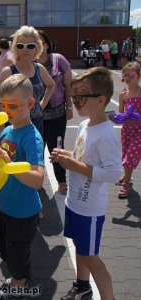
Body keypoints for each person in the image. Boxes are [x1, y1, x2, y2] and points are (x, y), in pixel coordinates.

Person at [51, 67, 122, 300]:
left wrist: (74, 166)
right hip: (75, 202)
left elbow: (113, 173)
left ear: (101, 100)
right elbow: (84, 158)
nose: (76, 101)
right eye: (74, 96)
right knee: (81, 247)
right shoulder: (85, 125)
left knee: (91, 256)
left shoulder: (106, 134)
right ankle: (83, 286)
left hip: (90, 208)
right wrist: (68, 155)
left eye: (81, 96)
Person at [0, 74, 44, 300]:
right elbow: (0, 164)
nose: (6, 111)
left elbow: (37, 180)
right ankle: (18, 278)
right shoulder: (7, 130)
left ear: (30, 104)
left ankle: (19, 288)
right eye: (3, 106)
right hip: (6, 206)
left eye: (12, 106)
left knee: (17, 254)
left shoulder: (32, 138)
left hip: (24, 212)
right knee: (5, 250)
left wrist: (10, 162)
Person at [0, 25, 55, 138]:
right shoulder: (8, 72)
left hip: (37, 124)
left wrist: (43, 103)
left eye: (30, 46)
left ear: (37, 48)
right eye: (20, 46)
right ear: (15, 48)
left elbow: (51, 85)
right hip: (15, 128)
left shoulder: (39, 69)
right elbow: (0, 107)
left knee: (36, 155)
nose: (25, 49)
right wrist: (3, 135)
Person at [37, 30, 73, 195]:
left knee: (57, 148)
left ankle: (62, 180)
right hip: (36, 116)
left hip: (58, 113)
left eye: (42, 43)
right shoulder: (30, 62)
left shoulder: (58, 60)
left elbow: (68, 86)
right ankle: (37, 181)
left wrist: (70, 107)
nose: (39, 46)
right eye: (35, 43)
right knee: (37, 149)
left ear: (47, 44)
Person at [116, 61, 141, 198]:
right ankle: (127, 174)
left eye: (131, 75)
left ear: (138, 76)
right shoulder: (122, 94)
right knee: (125, 155)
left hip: (139, 131)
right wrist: (117, 117)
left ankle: (126, 184)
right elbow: (121, 112)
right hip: (127, 130)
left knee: (130, 156)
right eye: (125, 75)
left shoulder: (140, 93)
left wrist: (137, 118)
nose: (128, 78)